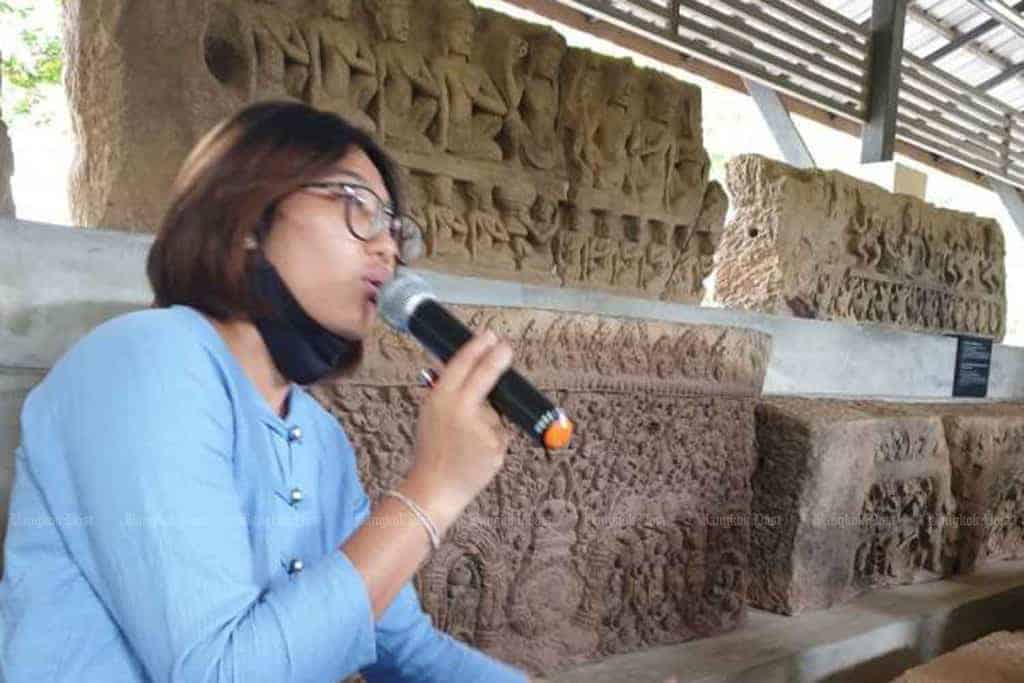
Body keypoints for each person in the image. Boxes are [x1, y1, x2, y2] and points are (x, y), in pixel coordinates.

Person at [0, 101, 528, 682]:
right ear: (248, 219)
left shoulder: (320, 437)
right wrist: (432, 491)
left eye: (396, 230)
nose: (388, 249)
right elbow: (222, 672)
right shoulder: (145, 356)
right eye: (359, 207)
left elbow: (404, 648)